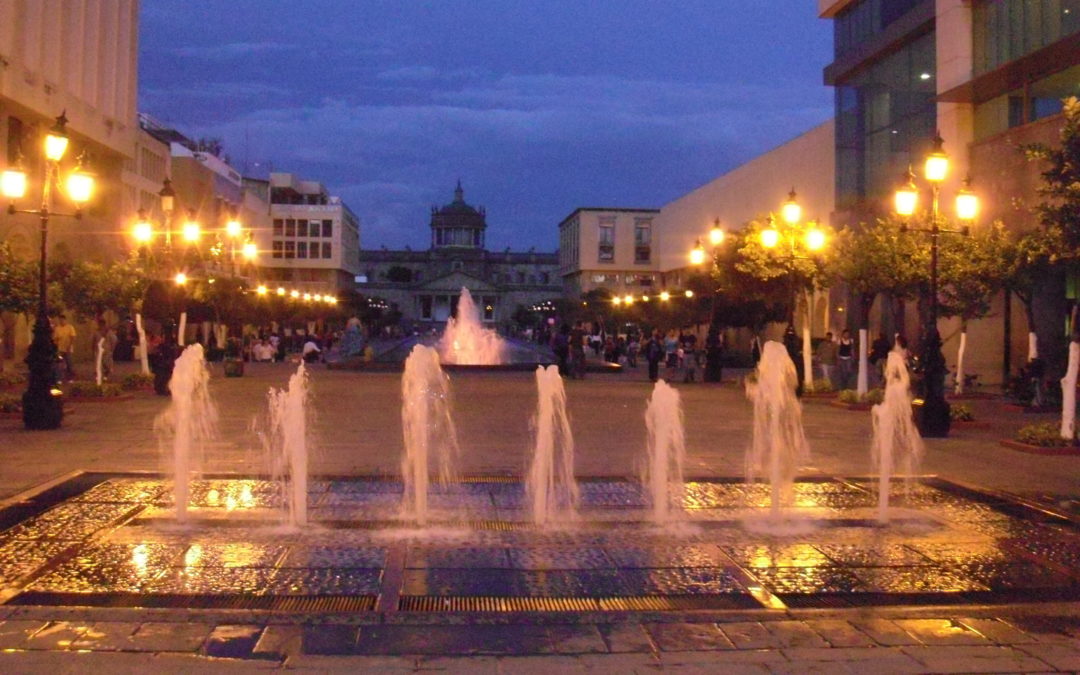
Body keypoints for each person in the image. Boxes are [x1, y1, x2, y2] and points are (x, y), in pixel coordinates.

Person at [53, 315, 77, 381]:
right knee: (59, 365)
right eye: (60, 320)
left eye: (62, 320)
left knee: (69, 364)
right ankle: (59, 379)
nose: (61, 321)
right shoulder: (57, 328)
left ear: (65, 320)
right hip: (60, 349)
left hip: (68, 349)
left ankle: (70, 378)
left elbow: (73, 337)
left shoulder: (70, 327)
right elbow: (55, 338)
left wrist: (70, 345)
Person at [783, 324, 803, 397]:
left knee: (797, 377)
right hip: (789, 361)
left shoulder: (797, 341)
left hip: (795, 361)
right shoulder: (786, 341)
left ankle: (796, 392)